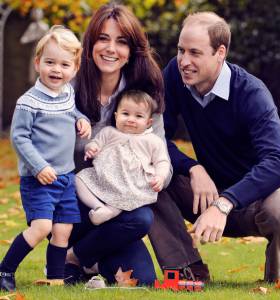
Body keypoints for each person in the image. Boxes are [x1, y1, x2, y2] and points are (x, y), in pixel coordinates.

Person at [149, 11, 280, 284]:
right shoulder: (174, 74)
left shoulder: (252, 93)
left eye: (195, 53)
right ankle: (187, 269)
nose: (184, 61)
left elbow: (278, 162)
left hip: (256, 202)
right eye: (181, 50)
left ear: (220, 52)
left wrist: (225, 202)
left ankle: (275, 271)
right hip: (204, 194)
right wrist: (193, 167)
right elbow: (153, 138)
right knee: (147, 172)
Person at [64, 3, 172, 286]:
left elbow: (161, 155)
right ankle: (81, 253)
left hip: (121, 208)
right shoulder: (68, 88)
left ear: (131, 51)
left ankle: (77, 257)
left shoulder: (143, 97)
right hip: (74, 203)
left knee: (143, 273)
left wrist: (154, 177)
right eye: (103, 38)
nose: (111, 49)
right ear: (90, 44)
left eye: (121, 42)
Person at [0, 25, 91, 291]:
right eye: (50, 62)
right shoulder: (28, 102)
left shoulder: (67, 94)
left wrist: (82, 120)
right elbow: (19, 137)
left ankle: (55, 278)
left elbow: (71, 112)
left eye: (64, 64)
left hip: (65, 177)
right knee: (41, 227)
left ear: (74, 69)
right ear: (38, 62)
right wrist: (38, 166)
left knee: (63, 231)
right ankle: (5, 269)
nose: (56, 70)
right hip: (39, 179)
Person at [76, 90, 171, 225]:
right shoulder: (109, 132)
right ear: (116, 116)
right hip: (103, 177)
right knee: (78, 179)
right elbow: (95, 144)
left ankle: (110, 211)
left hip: (131, 183)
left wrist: (160, 176)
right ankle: (98, 206)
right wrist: (91, 149)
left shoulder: (152, 141)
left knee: (125, 195)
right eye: (125, 114)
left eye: (138, 116)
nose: (131, 119)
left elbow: (162, 161)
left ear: (149, 122)